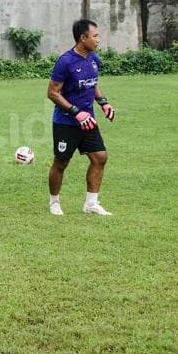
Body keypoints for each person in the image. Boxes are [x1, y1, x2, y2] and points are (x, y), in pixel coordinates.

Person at [47, 19, 116, 216]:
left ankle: (91, 203)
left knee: (100, 157)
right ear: (82, 38)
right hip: (66, 121)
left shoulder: (94, 59)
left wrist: (104, 103)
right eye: (95, 36)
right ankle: (54, 202)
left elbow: (92, 84)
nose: (98, 40)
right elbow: (52, 93)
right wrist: (76, 112)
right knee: (61, 162)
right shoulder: (65, 61)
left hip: (89, 120)